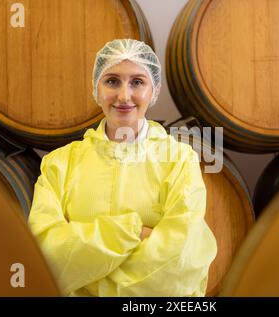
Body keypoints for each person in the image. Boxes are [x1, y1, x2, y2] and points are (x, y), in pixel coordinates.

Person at [27, 39, 217, 297]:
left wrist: (89, 279)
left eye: (137, 82)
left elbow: (181, 264)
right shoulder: (59, 164)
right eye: (112, 81)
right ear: (97, 87)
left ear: (154, 90)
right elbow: (46, 253)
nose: (124, 96)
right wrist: (133, 232)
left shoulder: (179, 161)